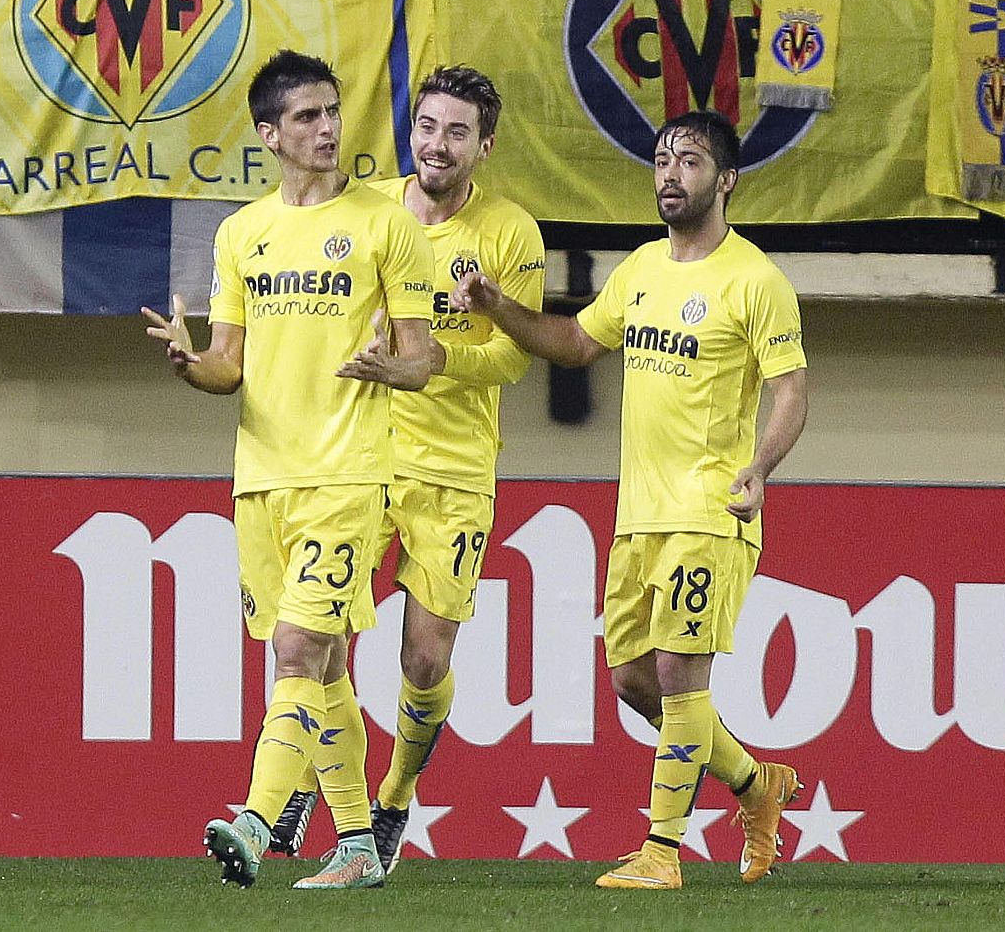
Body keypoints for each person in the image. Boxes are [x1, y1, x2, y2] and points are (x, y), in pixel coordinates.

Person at [452, 110, 808, 891]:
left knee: (683, 678)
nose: (671, 173)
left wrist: (760, 466)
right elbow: (577, 343)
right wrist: (496, 307)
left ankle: (662, 852)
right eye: (660, 159)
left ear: (728, 181)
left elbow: (789, 390)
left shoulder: (756, 281)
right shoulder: (641, 268)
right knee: (634, 683)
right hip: (637, 517)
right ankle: (756, 785)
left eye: (690, 160)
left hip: (709, 512)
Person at [143, 49, 440, 891]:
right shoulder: (243, 234)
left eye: (332, 112)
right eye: (306, 116)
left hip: (348, 474)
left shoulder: (388, 226)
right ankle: (356, 845)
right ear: (269, 133)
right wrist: (188, 361)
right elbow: (227, 365)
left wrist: (394, 365)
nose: (326, 128)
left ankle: (255, 816)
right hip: (260, 478)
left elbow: (423, 357)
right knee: (329, 666)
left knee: (297, 647)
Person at [267, 65, 545, 873]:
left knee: (424, 658)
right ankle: (305, 783)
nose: (437, 144)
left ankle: (392, 799)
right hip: (362, 457)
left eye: (458, 132)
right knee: (320, 642)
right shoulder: (368, 211)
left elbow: (513, 359)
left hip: (455, 469)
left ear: (484, 146)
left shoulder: (510, 235)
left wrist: (425, 360)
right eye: (427, 126)